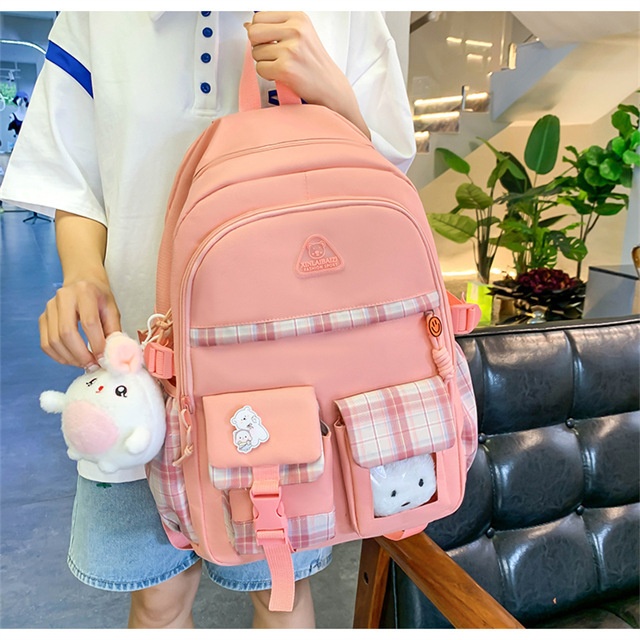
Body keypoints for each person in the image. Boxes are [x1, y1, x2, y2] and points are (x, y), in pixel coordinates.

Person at [0, 11, 416, 629]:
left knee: (279, 588)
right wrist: (83, 273)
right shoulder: (97, 15)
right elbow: (74, 175)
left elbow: (380, 179)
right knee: (158, 599)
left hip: (286, 359)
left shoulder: (346, 13)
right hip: (137, 363)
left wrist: (332, 91)